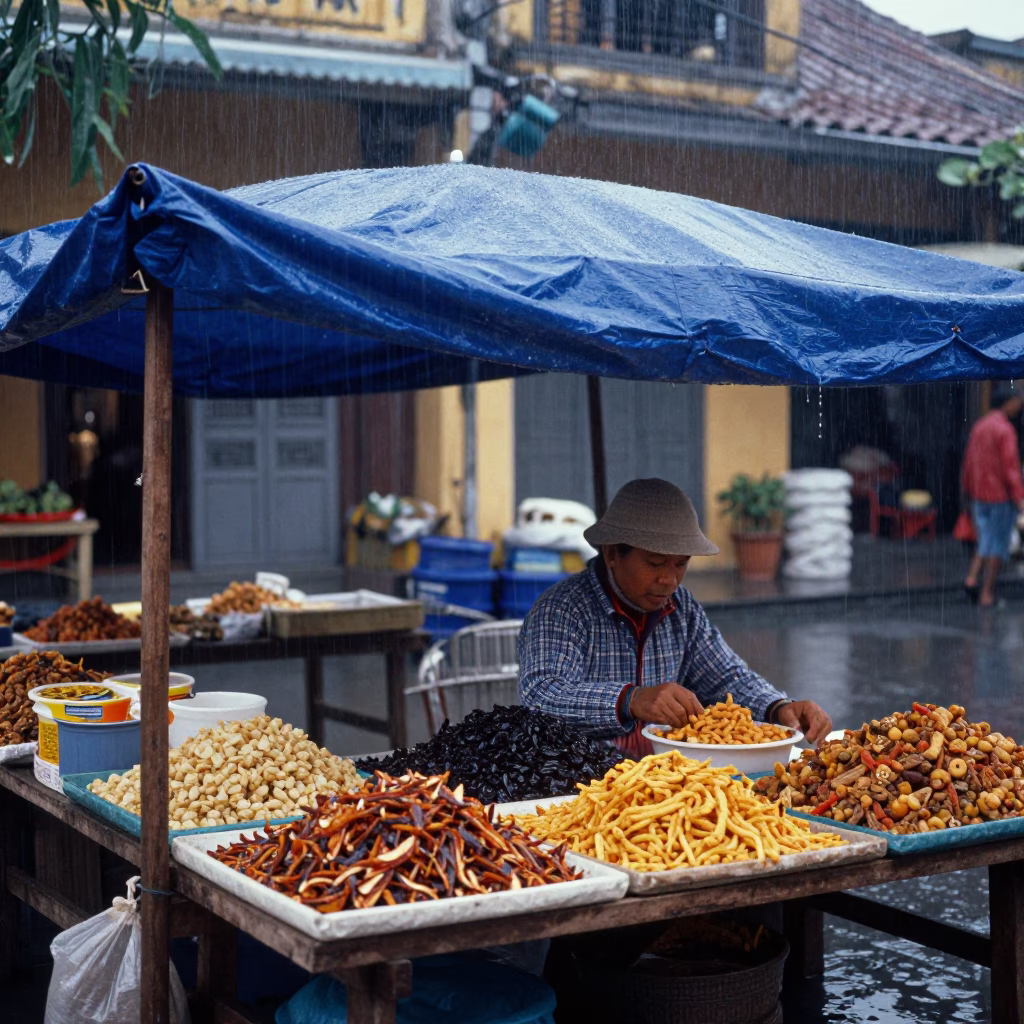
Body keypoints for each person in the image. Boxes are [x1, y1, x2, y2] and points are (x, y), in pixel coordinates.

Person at [517, 478, 831, 757]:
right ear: (612, 553)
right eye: (655, 563)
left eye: (681, 564)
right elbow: (542, 696)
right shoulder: (561, 608)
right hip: (580, 779)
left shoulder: (681, 607)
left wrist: (779, 708)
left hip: (669, 777)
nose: (670, 580)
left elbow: (726, 677)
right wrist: (629, 699)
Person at [961, 387, 1024, 608]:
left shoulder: (980, 426)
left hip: (979, 494)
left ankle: (971, 579)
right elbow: (1011, 468)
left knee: (985, 541)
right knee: (997, 545)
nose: (1019, 405)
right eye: (1017, 400)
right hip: (999, 497)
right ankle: (987, 593)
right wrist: (1019, 498)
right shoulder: (1005, 430)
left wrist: (967, 488)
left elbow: (969, 460)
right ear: (1007, 402)